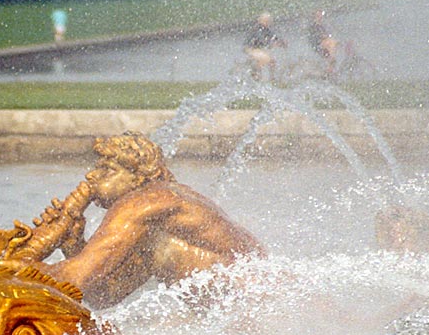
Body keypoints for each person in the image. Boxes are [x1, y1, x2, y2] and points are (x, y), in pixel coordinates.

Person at [16, 132, 266, 309]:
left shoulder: (143, 202)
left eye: (107, 169)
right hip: (258, 311)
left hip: (259, 309)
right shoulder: (156, 223)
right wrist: (72, 243)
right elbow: (103, 295)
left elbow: (75, 277)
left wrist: (15, 263)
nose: (91, 175)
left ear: (139, 177)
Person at [243, 12, 286, 81]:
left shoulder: (266, 29)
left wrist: (281, 42)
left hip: (256, 49)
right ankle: (261, 77)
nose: (269, 22)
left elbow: (273, 36)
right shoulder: (258, 29)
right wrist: (272, 44)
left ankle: (269, 78)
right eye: (268, 20)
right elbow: (262, 41)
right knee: (267, 60)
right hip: (250, 49)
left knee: (269, 61)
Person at [308, 9, 339, 76]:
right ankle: (331, 62)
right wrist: (324, 37)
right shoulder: (313, 26)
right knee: (332, 43)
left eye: (320, 15)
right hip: (318, 45)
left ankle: (331, 65)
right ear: (315, 16)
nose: (320, 17)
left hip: (323, 45)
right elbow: (314, 38)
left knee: (334, 43)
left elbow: (326, 35)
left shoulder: (322, 26)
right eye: (318, 15)